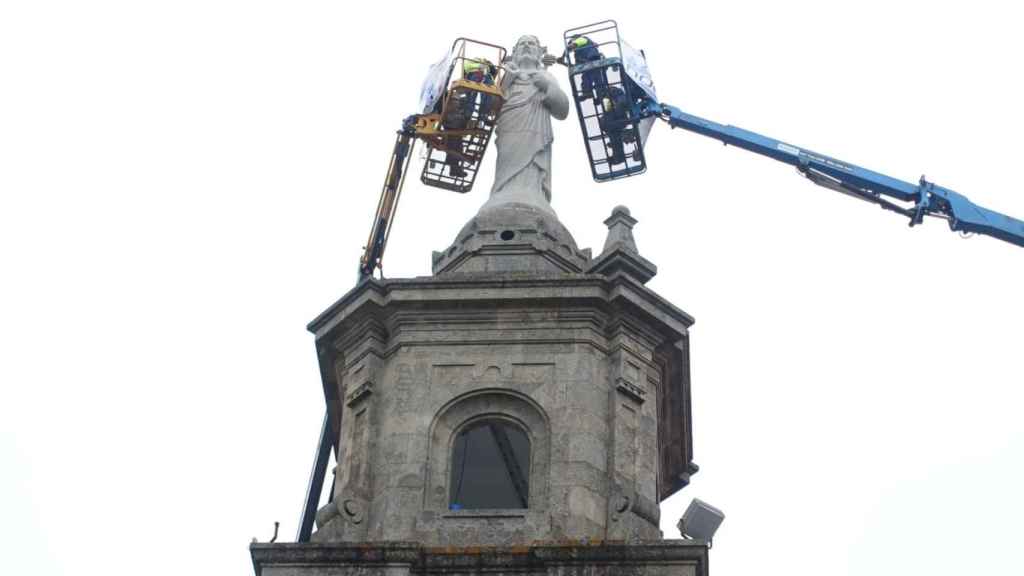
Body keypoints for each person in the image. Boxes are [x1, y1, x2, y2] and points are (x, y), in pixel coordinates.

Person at [482, 35, 569, 213]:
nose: (527, 47)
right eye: (522, 44)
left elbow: (562, 111)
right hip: (509, 127)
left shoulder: (546, 75)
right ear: (514, 52)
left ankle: (533, 193)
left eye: (531, 44)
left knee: (533, 162)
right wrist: (508, 80)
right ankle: (504, 192)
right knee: (509, 159)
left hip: (537, 129)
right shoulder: (504, 74)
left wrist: (547, 86)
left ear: (539, 51)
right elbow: (489, 107)